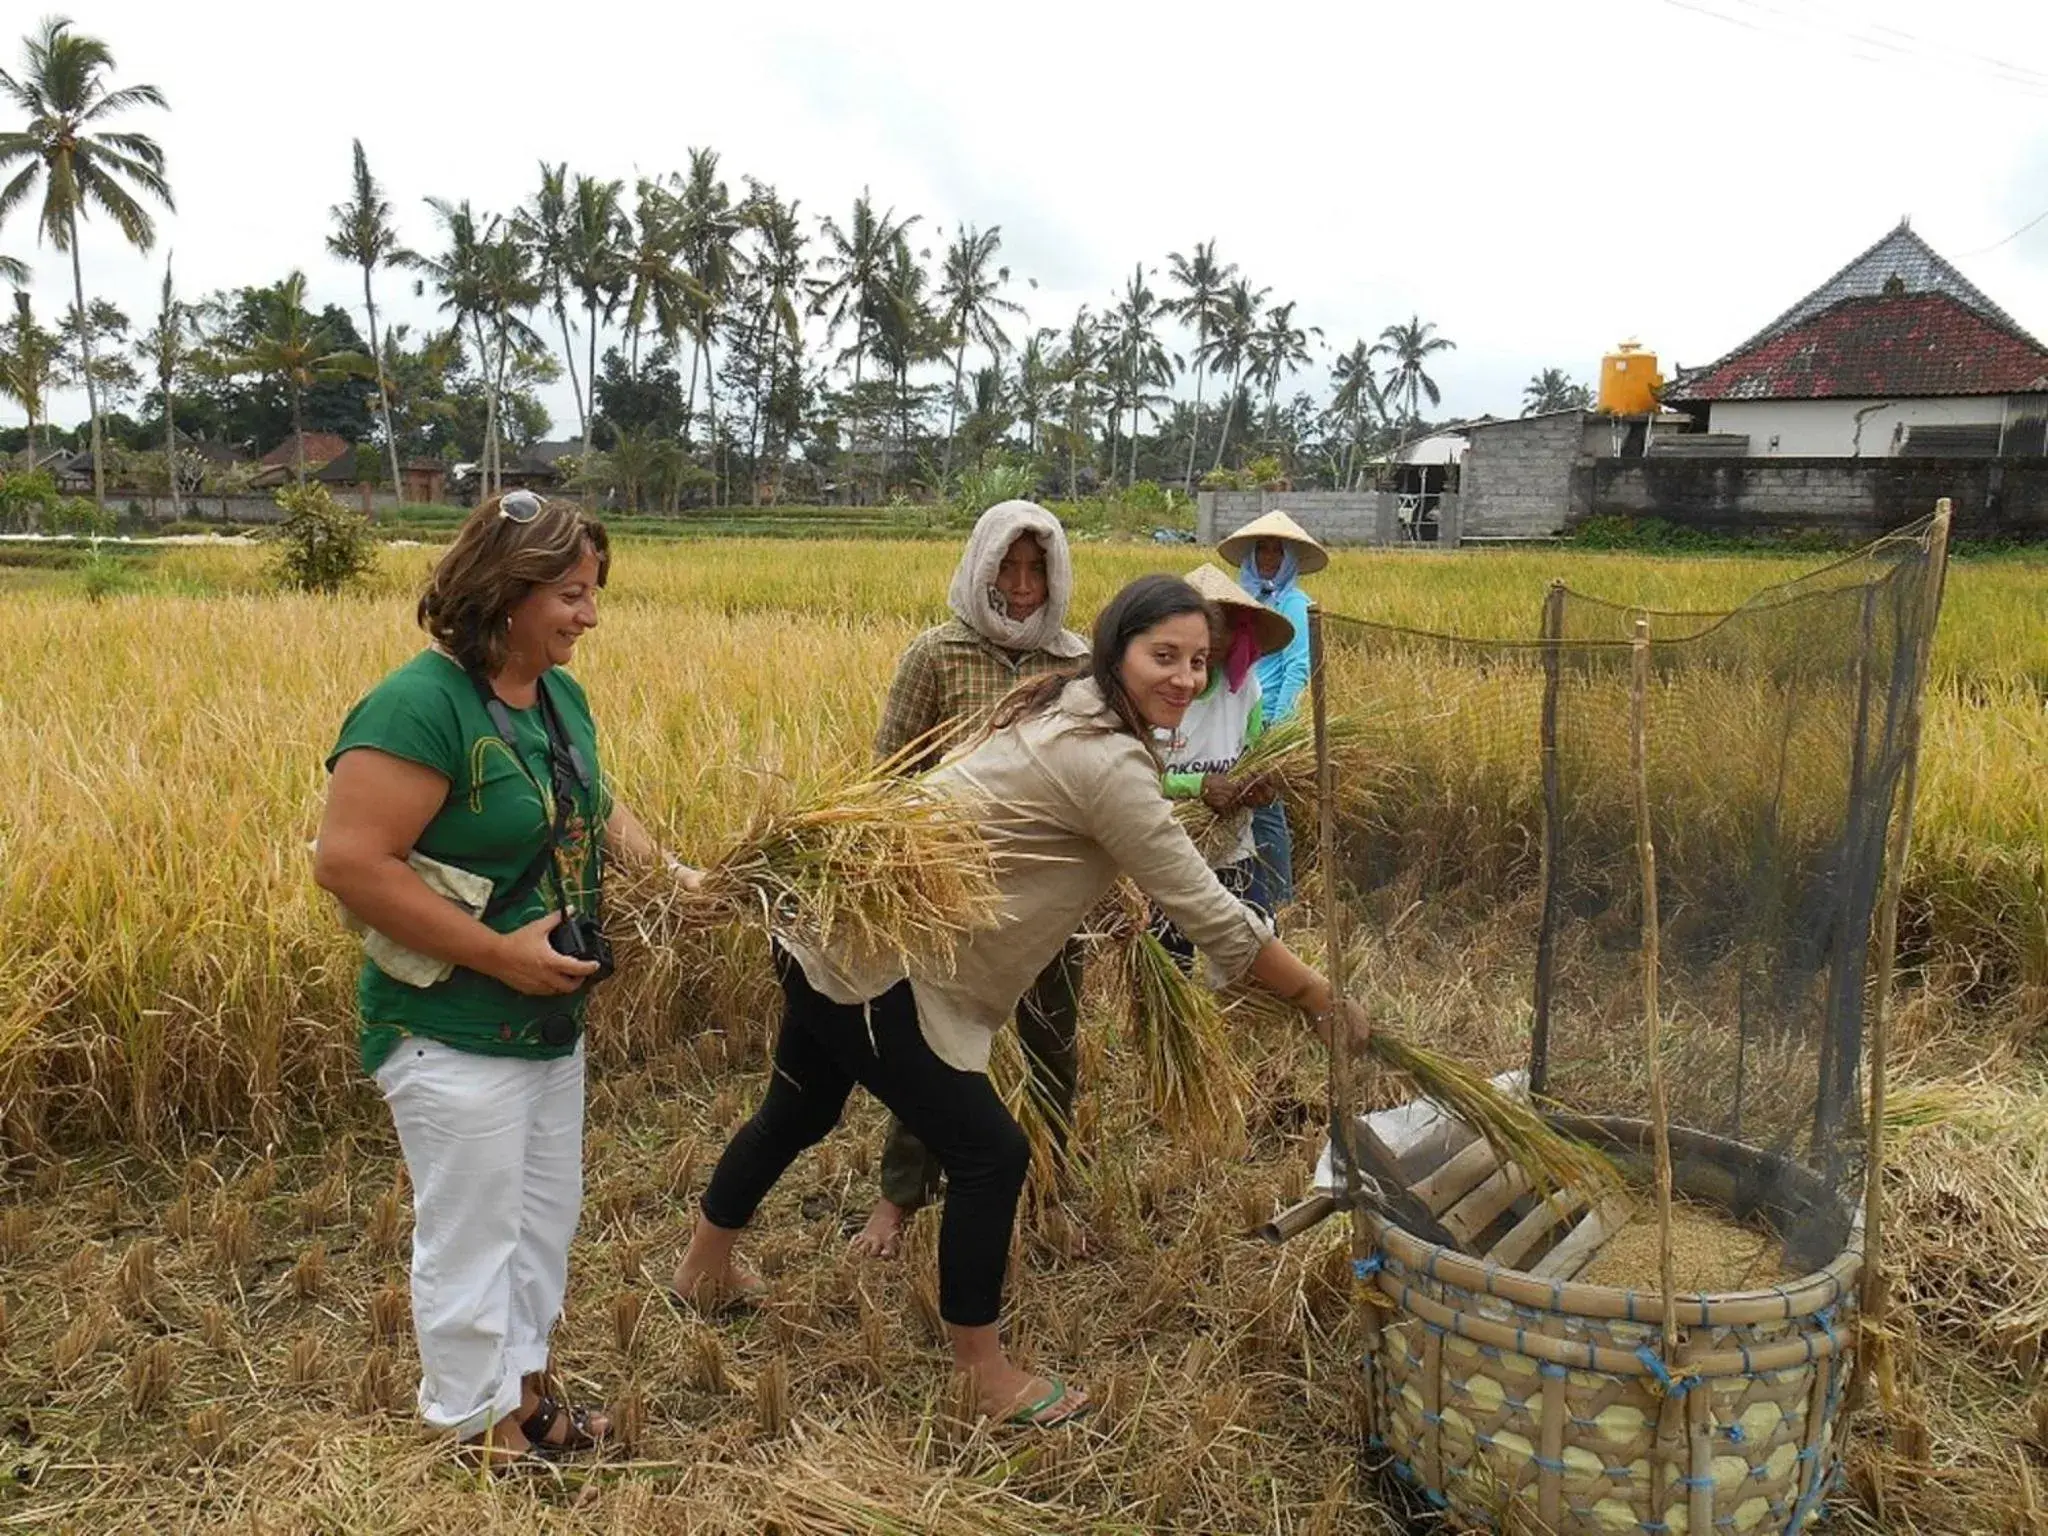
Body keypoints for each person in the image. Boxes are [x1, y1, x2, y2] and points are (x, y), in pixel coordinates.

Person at [670, 574, 1372, 1429]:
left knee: (800, 1106)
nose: (1186, 678)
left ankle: (705, 1268)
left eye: (1199, 661)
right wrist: (1319, 999)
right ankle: (981, 1371)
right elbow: (1211, 911)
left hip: (831, 928)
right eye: (1165, 656)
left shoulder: (1067, 703)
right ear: (1115, 649)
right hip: (882, 967)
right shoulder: (1104, 756)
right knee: (989, 1154)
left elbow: (1044, 832)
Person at [313, 490, 699, 1467]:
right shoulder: (418, 706)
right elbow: (350, 863)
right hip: (448, 1023)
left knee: (539, 1223)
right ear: (507, 591)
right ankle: (473, 1425)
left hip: (544, 1020)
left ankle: (523, 1399)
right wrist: (498, 954)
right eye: (570, 593)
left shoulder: (558, 698)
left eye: (593, 592)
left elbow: (597, 812)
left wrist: (681, 880)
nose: (589, 615)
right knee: (473, 1232)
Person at [850, 500, 1090, 1261]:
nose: (1020, 589)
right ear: (981, 567)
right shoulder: (938, 653)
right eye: (1007, 569)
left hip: (1050, 893)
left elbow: (1098, 783)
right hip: (951, 889)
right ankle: (899, 1198)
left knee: (1054, 1040)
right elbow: (890, 772)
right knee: (934, 1046)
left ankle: (1051, 1191)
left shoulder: (1076, 664)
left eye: (1036, 571)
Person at [1151, 562, 1294, 967]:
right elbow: (1128, 773)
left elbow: (1254, 753)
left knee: (1254, 947)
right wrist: (1197, 785)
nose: (1210, 639)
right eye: (1200, 625)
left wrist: (1256, 786)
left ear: (1239, 633)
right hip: (1168, 851)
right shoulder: (1154, 689)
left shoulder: (1246, 689)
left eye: (1221, 626)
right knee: (1170, 962)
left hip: (1233, 847)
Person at [1216, 510, 1328, 917]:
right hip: (1237, 714)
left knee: (1266, 812)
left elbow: (1298, 666)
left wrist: (1274, 728)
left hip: (1268, 722)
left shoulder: (1296, 604)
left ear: (1289, 560)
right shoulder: (1241, 600)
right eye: (1261, 549)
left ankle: (1280, 902)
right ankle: (1241, 896)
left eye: (1276, 551)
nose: (1267, 558)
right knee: (1237, 807)